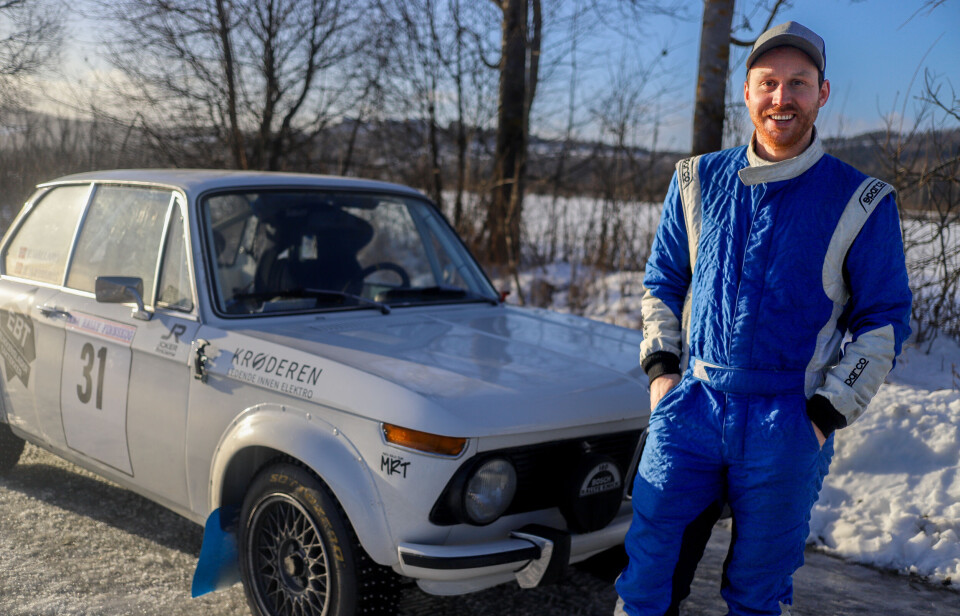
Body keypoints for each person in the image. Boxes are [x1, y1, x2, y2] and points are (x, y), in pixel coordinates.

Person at [614, 21, 912, 616]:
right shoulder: (696, 180)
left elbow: (882, 323)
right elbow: (662, 283)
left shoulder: (861, 201)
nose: (782, 98)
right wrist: (661, 376)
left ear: (822, 94)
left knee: (758, 594)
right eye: (768, 83)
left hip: (787, 422)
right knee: (646, 581)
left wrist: (824, 415)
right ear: (746, 92)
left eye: (798, 83)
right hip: (691, 408)